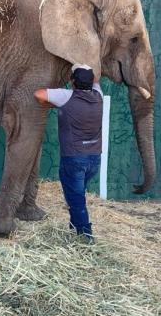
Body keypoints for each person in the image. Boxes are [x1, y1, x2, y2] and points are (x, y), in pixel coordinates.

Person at [34, 64, 103, 239]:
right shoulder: (98, 95)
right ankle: (74, 230)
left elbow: (38, 94)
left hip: (74, 159)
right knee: (76, 196)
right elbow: (96, 81)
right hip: (94, 159)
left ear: (72, 81)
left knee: (77, 200)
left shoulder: (66, 97)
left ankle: (85, 238)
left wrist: (52, 104)